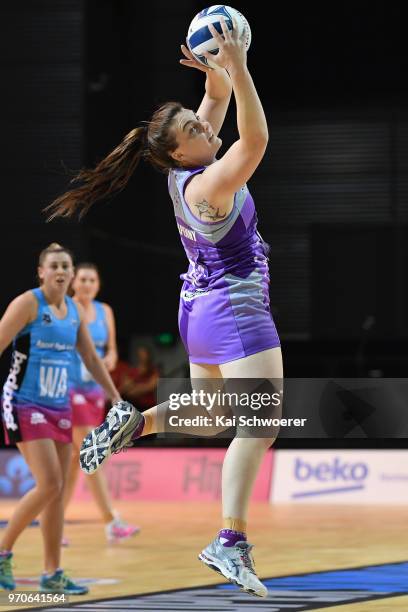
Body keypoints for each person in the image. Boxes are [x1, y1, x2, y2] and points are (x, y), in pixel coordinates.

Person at [47, 19, 282, 599]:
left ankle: (135, 423)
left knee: (207, 418)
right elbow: (255, 143)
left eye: (197, 117)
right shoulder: (209, 183)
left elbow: (219, 102)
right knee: (260, 424)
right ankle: (230, 539)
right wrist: (242, 65)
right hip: (234, 310)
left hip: (199, 310)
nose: (205, 123)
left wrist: (218, 73)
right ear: (181, 151)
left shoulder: (182, 172)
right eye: (194, 127)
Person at [0, 244, 123, 594]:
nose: (60, 270)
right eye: (53, 265)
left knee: (55, 494)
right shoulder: (28, 303)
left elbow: (91, 357)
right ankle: (3, 549)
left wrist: (114, 395)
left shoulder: (72, 311)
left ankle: (52, 572)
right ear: (41, 271)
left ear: (70, 275)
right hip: (23, 402)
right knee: (51, 483)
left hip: (58, 406)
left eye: (65, 266)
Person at [63, 263, 139, 543]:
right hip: (69, 389)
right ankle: (111, 520)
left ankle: (55, 522)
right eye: (82, 279)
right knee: (90, 452)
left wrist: (109, 360)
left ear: (98, 284)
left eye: (91, 280)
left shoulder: (105, 311)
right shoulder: (66, 307)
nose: (86, 284)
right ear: (74, 283)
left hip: (95, 389)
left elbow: (113, 351)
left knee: (75, 461)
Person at [111, 346, 159, 411]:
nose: (142, 356)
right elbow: (126, 387)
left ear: (148, 355)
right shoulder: (131, 371)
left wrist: (134, 387)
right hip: (134, 406)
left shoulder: (154, 371)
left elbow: (150, 387)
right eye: (140, 354)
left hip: (149, 406)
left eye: (144, 353)